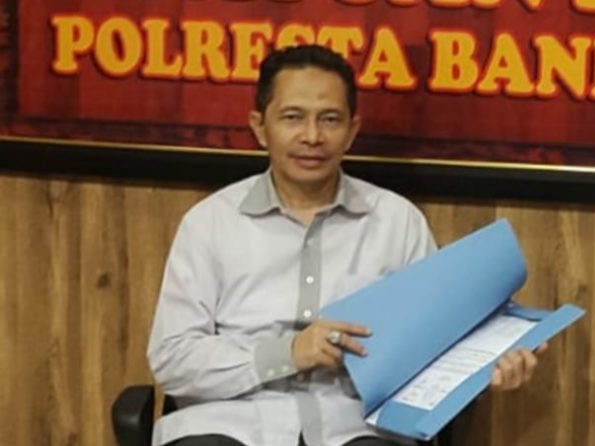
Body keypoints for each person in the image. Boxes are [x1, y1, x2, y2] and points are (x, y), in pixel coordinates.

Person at [147, 44, 542, 446]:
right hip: (230, 425)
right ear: (260, 126)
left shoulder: (397, 222)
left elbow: (434, 348)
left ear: (352, 131)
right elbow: (173, 360)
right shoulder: (210, 223)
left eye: (330, 119)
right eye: (292, 117)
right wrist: (288, 353)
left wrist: (485, 367)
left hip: (355, 428)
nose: (312, 136)